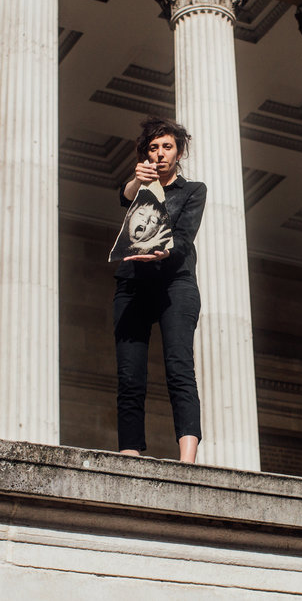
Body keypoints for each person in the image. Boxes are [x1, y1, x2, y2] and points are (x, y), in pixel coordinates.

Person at [113, 117, 206, 463]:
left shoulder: (193, 190)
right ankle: (129, 452)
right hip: (133, 281)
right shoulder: (140, 188)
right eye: (153, 148)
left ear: (178, 152)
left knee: (179, 367)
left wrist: (165, 250)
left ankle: (187, 460)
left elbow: (183, 238)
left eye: (167, 146)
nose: (160, 154)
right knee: (129, 373)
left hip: (174, 281)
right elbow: (123, 198)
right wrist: (138, 179)